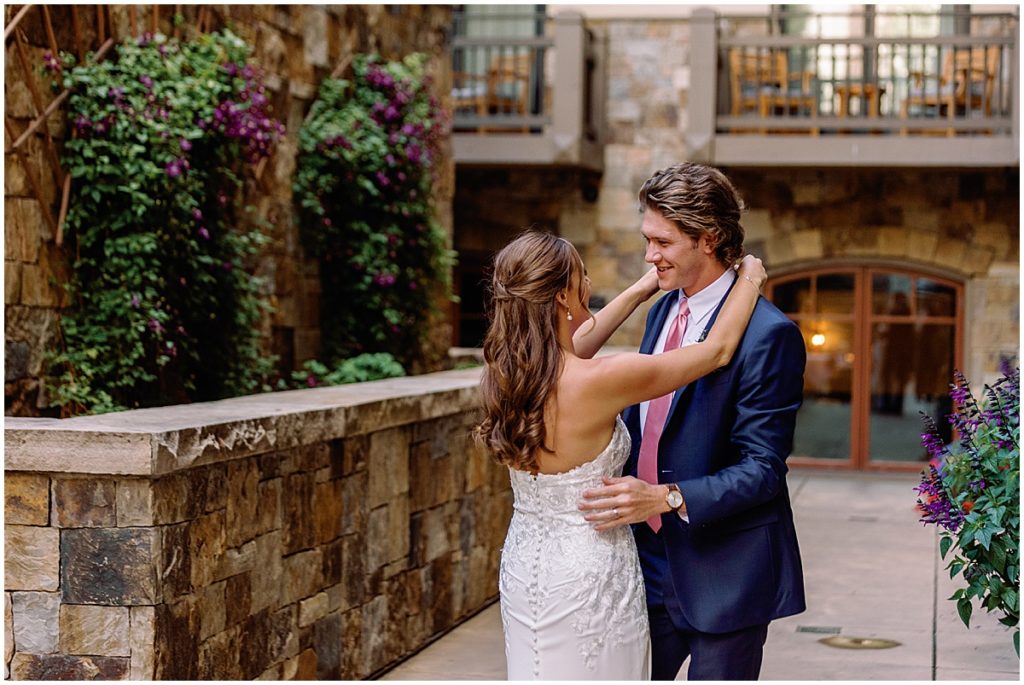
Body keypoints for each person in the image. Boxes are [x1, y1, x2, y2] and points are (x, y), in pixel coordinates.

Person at [474, 229, 767, 680]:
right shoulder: (601, 380)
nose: (588, 284)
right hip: (589, 572)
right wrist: (750, 277)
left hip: (527, 566)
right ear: (561, 296)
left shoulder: (507, 374)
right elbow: (717, 351)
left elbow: (575, 343)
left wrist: (641, 288)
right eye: (581, 276)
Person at [579, 162, 807, 680]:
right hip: (647, 561)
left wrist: (664, 498)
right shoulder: (661, 310)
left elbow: (763, 470)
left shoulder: (769, 335)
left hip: (727, 571)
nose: (648, 255)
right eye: (646, 239)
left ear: (707, 239)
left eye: (662, 242)